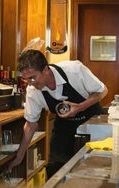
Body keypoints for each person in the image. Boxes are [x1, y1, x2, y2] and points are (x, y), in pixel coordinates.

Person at [7, 49, 108, 179]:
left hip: (91, 123)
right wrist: (19, 157)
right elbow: (30, 125)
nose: (30, 83)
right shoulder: (33, 91)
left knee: (93, 170)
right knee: (56, 170)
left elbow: (103, 91)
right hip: (64, 126)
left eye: (33, 78)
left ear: (45, 69)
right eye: (26, 79)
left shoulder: (74, 70)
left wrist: (80, 107)